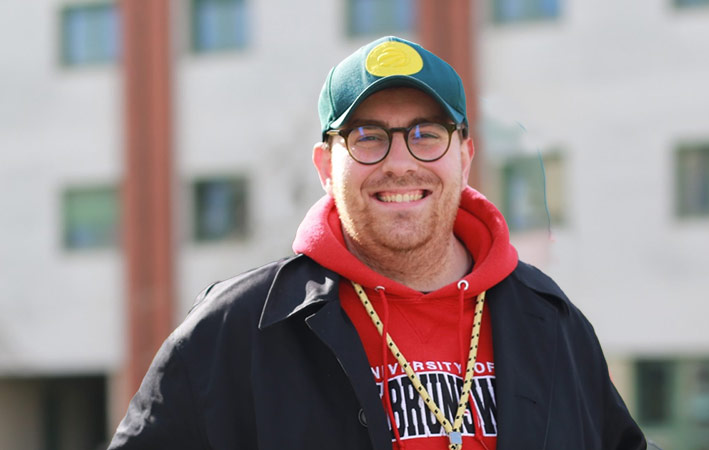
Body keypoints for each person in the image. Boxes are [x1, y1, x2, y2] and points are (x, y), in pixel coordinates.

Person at [109, 36, 647, 450]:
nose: (400, 163)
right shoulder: (236, 328)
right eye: (367, 137)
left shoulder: (550, 321)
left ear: (464, 156)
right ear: (326, 166)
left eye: (426, 134)